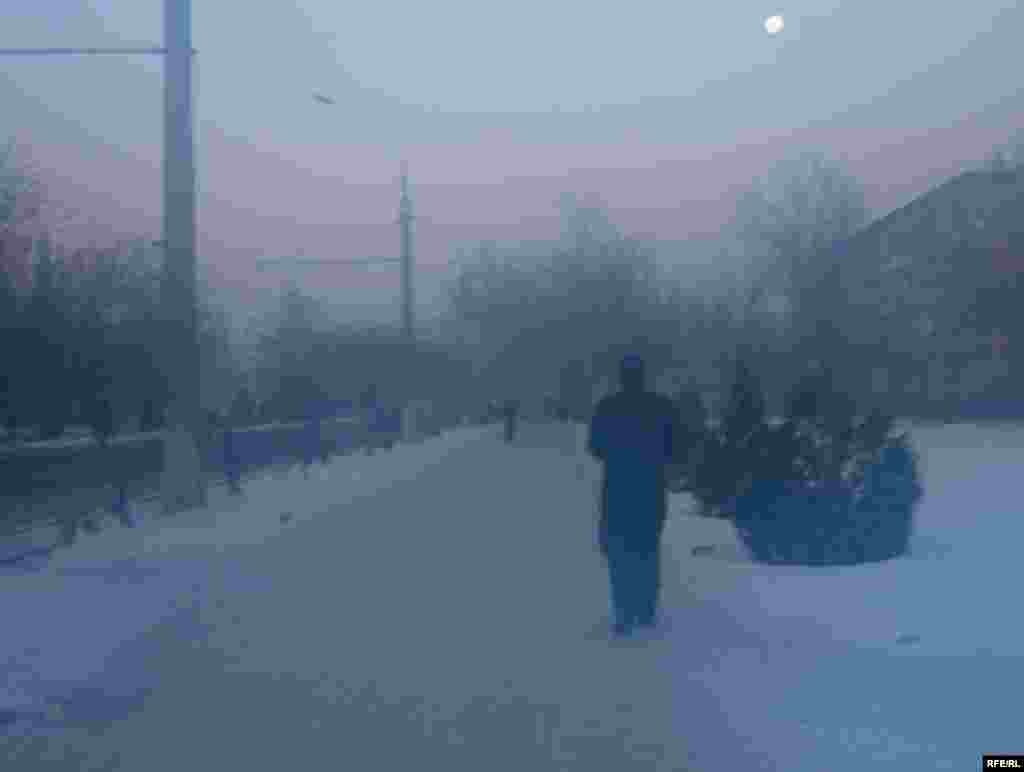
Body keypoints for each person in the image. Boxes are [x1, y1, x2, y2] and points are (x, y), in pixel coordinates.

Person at [587, 355, 681, 638]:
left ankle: (624, 611)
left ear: (621, 377)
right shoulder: (661, 407)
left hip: (618, 488)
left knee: (619, 550)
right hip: (650, 488)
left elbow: (595, 448)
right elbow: (677, 447)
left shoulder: (607, 407)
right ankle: (646, 608)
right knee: (647, 548)